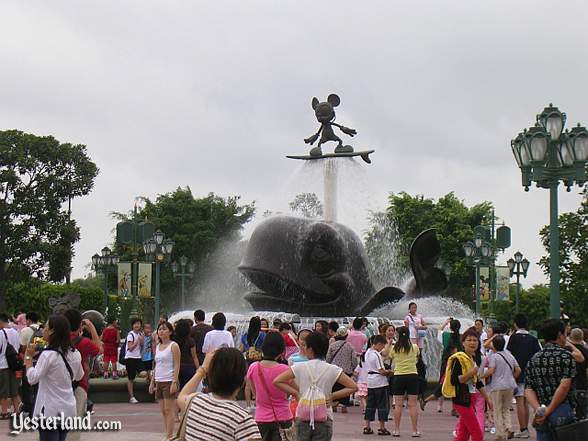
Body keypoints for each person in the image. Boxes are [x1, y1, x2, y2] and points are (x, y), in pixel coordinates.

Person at [274, 331, 357, 441]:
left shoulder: (299, 367)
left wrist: (296, 393)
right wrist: (332, 396)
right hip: (324, 416)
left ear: (310, 349)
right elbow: (353, 387)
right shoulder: (332, 369)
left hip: (303, 415)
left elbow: (277, 381)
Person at [177, 348, 262, 441]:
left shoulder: (195, 401)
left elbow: (182, 396)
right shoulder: (242, 419)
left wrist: (203, 369)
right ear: (242, 380)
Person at [24, 314, 84, 441]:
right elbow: (78, 376)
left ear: (52, 331)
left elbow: (32, 378)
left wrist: (28, 358)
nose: (43, 331)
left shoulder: (48, 355)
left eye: (46, 327)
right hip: (67, 408)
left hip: (49, 410)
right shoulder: (75, 353)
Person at [525, 319, 579, 441]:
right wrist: (549, 410)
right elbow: (564, 386)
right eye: (565, 334)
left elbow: (528, 388)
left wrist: (539, 410)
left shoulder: (534, 358)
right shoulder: (566, 356)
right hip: (562, 410)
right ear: (560, 335)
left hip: (541, 411)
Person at [443, 327, 493, 441]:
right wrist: (470, 373)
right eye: (469, 340)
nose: (472, 343)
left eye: (475, 340)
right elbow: (454, 380)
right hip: (461, 400)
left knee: (463, 435)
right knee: (477, 434)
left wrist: (488, 399)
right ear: (463, 342)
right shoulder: (459, 359)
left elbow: (478, 382)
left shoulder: (472, 358)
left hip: (469, 399)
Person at [63, 309, 102, 441]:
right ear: (80, 325)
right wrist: (91, 326)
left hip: (61, 386)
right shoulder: (83, 342)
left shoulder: (58, 340)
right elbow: (100, 349)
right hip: (80, 385)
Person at [246, 332, 293, 440]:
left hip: (261, 417)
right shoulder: (285, 370)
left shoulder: (254, 367)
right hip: (283, 417)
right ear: (281, 351)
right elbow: (290, 392)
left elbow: (255, 393)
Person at [506, 313, 542, 439]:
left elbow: (508, 355)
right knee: (527, 401)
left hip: (517, 374)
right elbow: (538, 355)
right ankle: (526, 428)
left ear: (515, 324)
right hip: (530, 374)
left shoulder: (513, 338)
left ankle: (523, 429)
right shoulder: (533, 339)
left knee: (520, 401)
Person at [480, 335, 520, 441]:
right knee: (506, 409)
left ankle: (500, 434)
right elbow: (518, 370)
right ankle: (509, 428)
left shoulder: (494, 356)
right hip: (510, 385)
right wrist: (511, 377)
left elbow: (491, 370)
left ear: (494, 345)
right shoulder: (510, 355)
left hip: (497, 386)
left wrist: (481, 376)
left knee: (497, 410)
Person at [149, 321, 180, 440]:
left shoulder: (174, 346)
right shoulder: (157, 347)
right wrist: (152, 382)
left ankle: (169, 436)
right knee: (163, 411)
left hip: (169, 380)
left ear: (170, 332)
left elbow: (177, 365)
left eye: (164, 329)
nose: (161, 331)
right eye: (159, 329)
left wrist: (174, 381)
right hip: (159, 380)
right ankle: (167, 433)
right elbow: (157, 365)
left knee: (169, 410)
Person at [423, 319, 462, 413]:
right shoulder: (462, 337)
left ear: (450, 327)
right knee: (457, 385)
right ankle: (454, 408)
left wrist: (446, 322)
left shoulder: (445, 335)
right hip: (459, 364)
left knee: (443, 384)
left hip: (447, 364)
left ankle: (439, 405)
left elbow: (439, 330)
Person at [388, 326, 421, 437]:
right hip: (412, 376)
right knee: (412, 405)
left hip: (399, 377)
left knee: (398, 405)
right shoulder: (415, 347)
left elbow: (388, 356)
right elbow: (417, 357)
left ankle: (396, 430)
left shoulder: (395, 348)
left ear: (398, 335)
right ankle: (415, 430)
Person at [362, 334, 393, 435]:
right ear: (379, 344)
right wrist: (389, 372)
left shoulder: (367, 352)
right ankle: (382, 427)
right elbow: (381, 371)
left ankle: (367, 426)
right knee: (382, 405)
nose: (382, 349)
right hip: (380, 382)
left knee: (370, 405)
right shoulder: (376, 355)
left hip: (370, 381)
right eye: (382, 346)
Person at [326, 327, 357, 414]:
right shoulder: (350, 346)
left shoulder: (332, 345)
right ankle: (344, 405)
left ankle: (334, 404)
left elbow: (328, 358)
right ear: (346, 335)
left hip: (333, 370)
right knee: (346, 387)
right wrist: (353, 368)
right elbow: (354, 359)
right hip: (346, 370)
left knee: (334, 387)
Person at [0, 312, 22, 419]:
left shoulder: (1, 333)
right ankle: (17, 411)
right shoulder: (15, 332)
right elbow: (18, 347)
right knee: (14, 389)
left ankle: (4, 412)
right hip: (14, 364)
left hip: (3, 365)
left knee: (3, 390)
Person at [174, 319, 199, 390]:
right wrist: (198, 369)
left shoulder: (173, 340)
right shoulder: (191, 341)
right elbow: (194, 357)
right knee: (187, 389)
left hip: (176, 367)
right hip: (189, 367)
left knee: (177, 389)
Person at [568, 328, 588, 420]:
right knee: (583, 414)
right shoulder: (586, 351)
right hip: (582, 386)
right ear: (582, 337)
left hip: (569, 386)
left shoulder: (567, 351)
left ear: (571, 336)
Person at [125, 318, 144, 404]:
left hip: (138, 357)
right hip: (130, 358)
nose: (137, 325)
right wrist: (137, 341)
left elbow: (142, 345)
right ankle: (131, 397)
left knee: (143, 372)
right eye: (135, 324)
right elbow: (130, 348)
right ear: (132, 325)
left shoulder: (140, 334)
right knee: (131, 378)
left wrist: (142, 339)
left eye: (139, 324)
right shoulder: (130, 335)